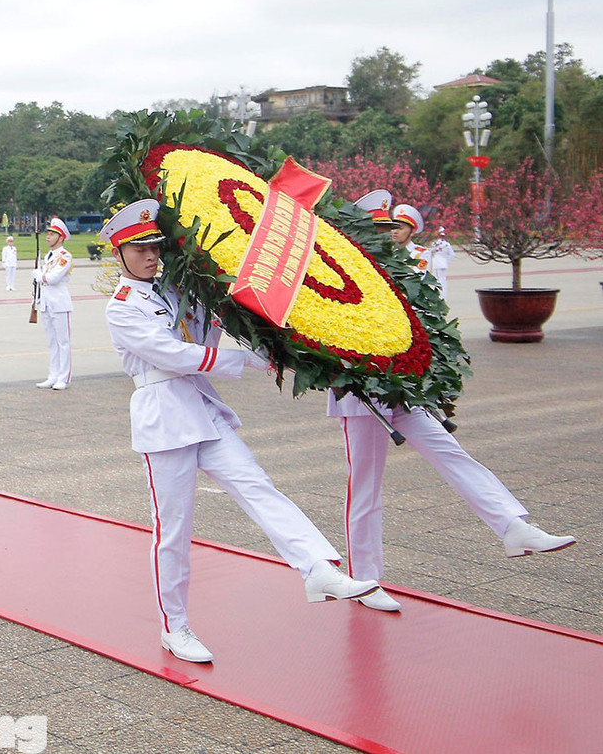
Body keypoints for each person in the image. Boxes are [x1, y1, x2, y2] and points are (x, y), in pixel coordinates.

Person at [100, 199, 379, 664]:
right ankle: (176, 626)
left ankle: (318, 566)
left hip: (202, 411)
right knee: (173, 531)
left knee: (257, 486)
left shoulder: (176, 289)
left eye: (155, 246)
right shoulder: (122, 308)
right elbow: (175, 356)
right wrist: (245, 360)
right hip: (165, 417)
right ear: (120, 254)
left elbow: (207, 330)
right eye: (139, 248)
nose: (151, 256)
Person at [330, 194, 575, 613]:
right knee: (366, 489)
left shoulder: (400, 272)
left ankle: (513, 527)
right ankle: (365, 580)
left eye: (388, 231)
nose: (385, 239)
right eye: (376, 233)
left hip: (404, 387)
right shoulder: (338, 275)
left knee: (452, 454)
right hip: (362, 397)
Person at [34, 217, 74, 391]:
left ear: (61, 237)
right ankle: (53, 375)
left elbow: (53, 278)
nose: (48, 237)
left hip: (59, 303)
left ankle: (63, 377)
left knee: (63, 342)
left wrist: (39, 276)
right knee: (51, 342)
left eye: (52, 234)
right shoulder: (48, 256)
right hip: (46, 303)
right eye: (48, 234)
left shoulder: (65, 256)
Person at [428, 226, 455, 294]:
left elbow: (452, 255)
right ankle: (440, 294)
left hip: (439, 263)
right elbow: (429, 252)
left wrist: (446, 261)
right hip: (438, 263)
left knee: (440, 279)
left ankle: (441, 294)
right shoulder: (435, 244)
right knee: (440, 279)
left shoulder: (446, 245)